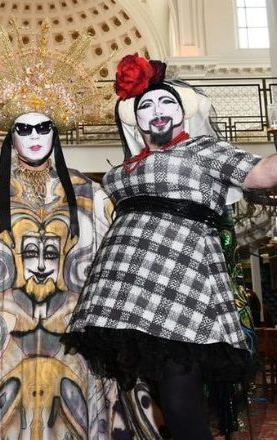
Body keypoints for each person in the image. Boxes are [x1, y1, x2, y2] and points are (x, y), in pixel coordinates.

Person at [0, 23, 164, 439]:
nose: (34, 136)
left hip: (70, 334)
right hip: (3, 338)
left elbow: (121, 259)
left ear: (56, 133)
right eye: (24, 128)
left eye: (43, 127)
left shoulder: (89, 194)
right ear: (11, 135)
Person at [62, 53, 277, 440]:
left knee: (180, 401)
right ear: (136, 120)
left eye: (166, 102)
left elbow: (261, 174)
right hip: (124, 293)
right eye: (146, 105)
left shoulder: (203, 150)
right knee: (149, 402)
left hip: (182, 288)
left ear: (181, 114)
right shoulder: (126, 167)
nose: (157, 110)